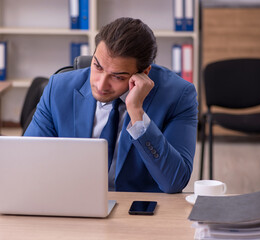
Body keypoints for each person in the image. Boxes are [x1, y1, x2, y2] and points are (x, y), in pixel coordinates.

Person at [24, 17, 198, 193]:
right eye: (97, 67)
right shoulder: (59, 88)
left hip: (136, 211)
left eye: (118, 77)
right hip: (71, 200)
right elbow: (27, 160)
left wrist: (137, 114)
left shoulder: (178, 96)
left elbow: (175, 181)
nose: (101, 85)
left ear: (144, 73)